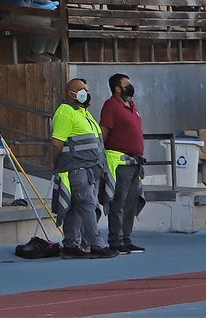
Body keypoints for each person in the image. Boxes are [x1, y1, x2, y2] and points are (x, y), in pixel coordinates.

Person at [51, 78, 114, 259]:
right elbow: (56, 143)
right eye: (80, 89)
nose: (84, 92)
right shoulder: (65, 112)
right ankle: (96, 245)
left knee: (76, 208)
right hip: (77, 168)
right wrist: (55, 163)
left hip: (91, 169)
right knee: (88, 205)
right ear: (70, 93)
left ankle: (71, 244)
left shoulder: (84, 113)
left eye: (85, 89)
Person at [99, 74, 145, 254]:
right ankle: (115, 239)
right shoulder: (111, 105)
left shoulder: (132, 106)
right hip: (119, 162)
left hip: (135, 162)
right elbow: (104, 132)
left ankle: (126, 237)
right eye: (127, 85)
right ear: (117, 88)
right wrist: (100, 158)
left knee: (131, 202)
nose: (130, 87)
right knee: (118, 201)